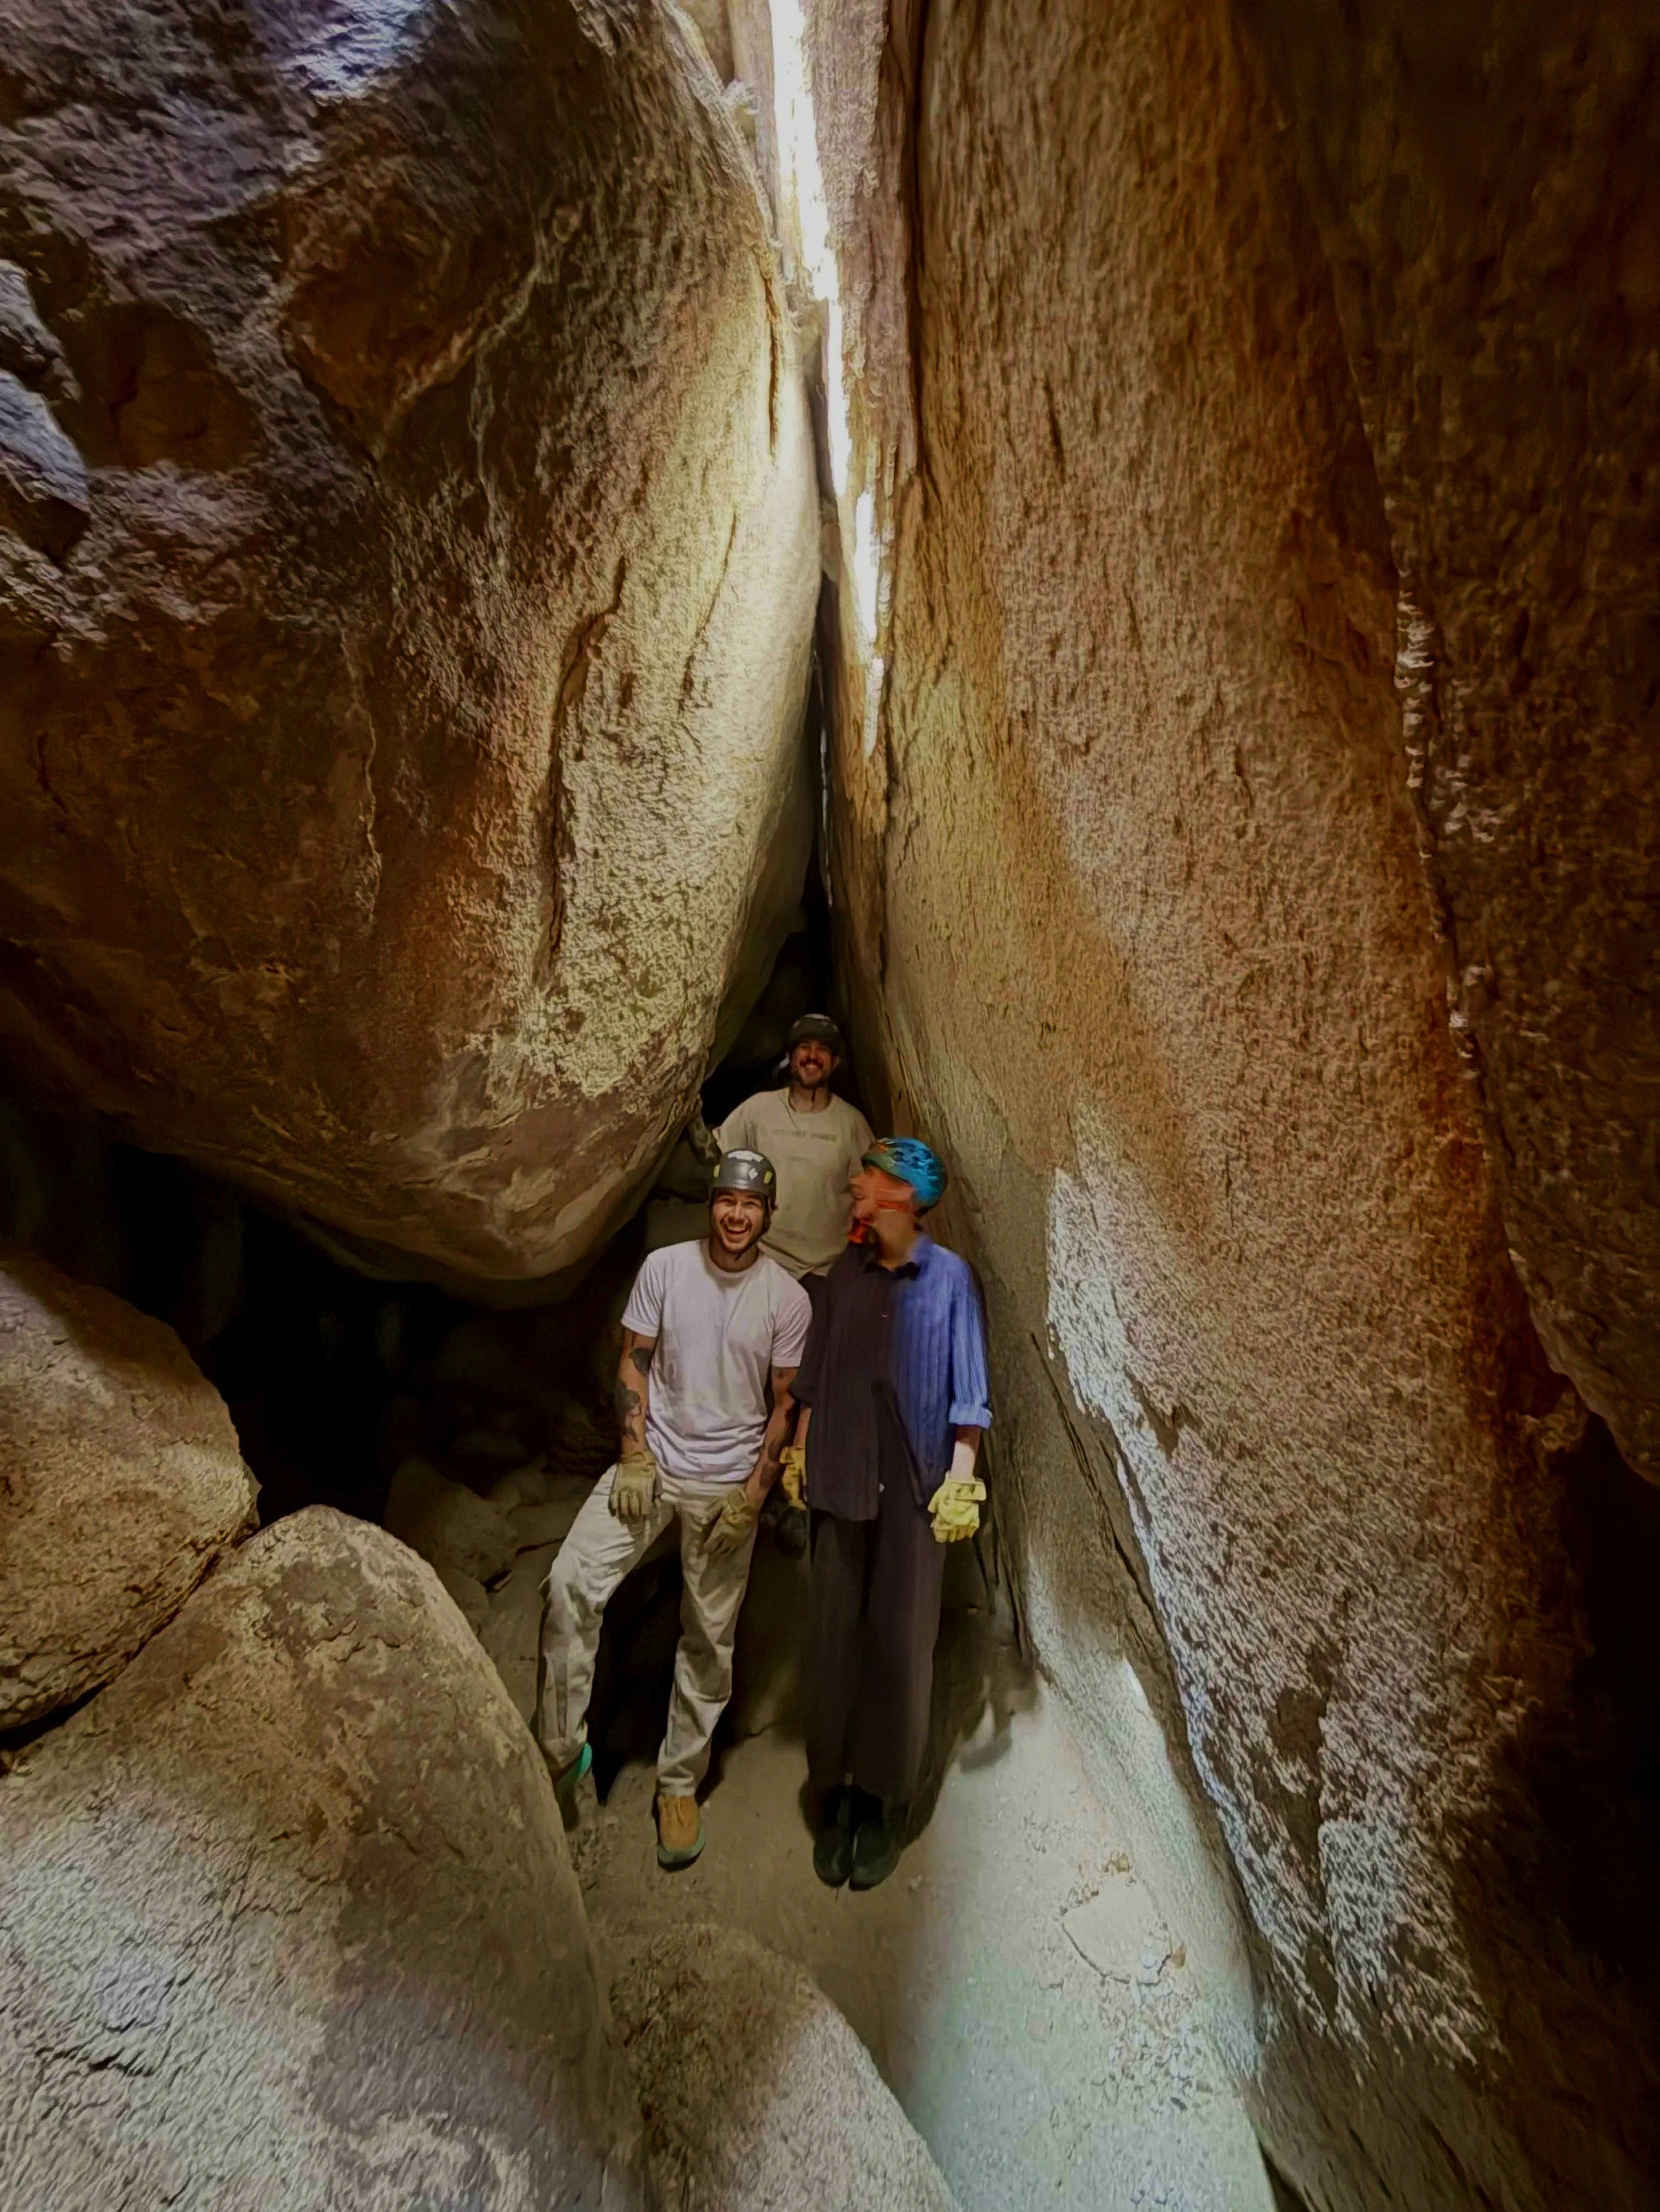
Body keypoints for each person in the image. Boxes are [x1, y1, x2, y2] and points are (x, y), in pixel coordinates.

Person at [536, 1149, 811, 1871]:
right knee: (570, 1584)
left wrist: (753, 1498)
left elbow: (787, 1403)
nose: (736, 1214)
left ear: (767, 1214)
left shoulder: (786, 1298)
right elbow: (635, 1361)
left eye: (750, 1205)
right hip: (652, 1467)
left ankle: (679, 1781)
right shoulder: (665, 1268)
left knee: (708, 1639)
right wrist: (633, 1452)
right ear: (711, 1203)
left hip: (725, 1487)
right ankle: (561, 1751)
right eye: (726, 1200)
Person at [791, 1135, 991, 1892]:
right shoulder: (844, 1274)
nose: (853, 1184)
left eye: (867, 1177)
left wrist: (962, 1478)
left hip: (915, 1492)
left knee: (901, 1646)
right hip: (840, 1477)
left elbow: (969, 1391)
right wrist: (799, 1452)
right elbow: (815, 1373)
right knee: (832, 1636)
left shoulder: (950, 1281)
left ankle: (881, 1798)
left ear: (903, 1194)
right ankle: (835, 1785)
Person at [716, 1014, 873, 1289]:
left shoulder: (852, 1123)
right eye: (805, 1047)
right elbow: (720, 1162)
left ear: (834, 1062)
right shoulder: (757, 1111)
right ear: (791, 1056)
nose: (813, 1056)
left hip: (827, 1272)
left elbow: (870, 1195)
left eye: (823, 1049)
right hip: (765, 1261)